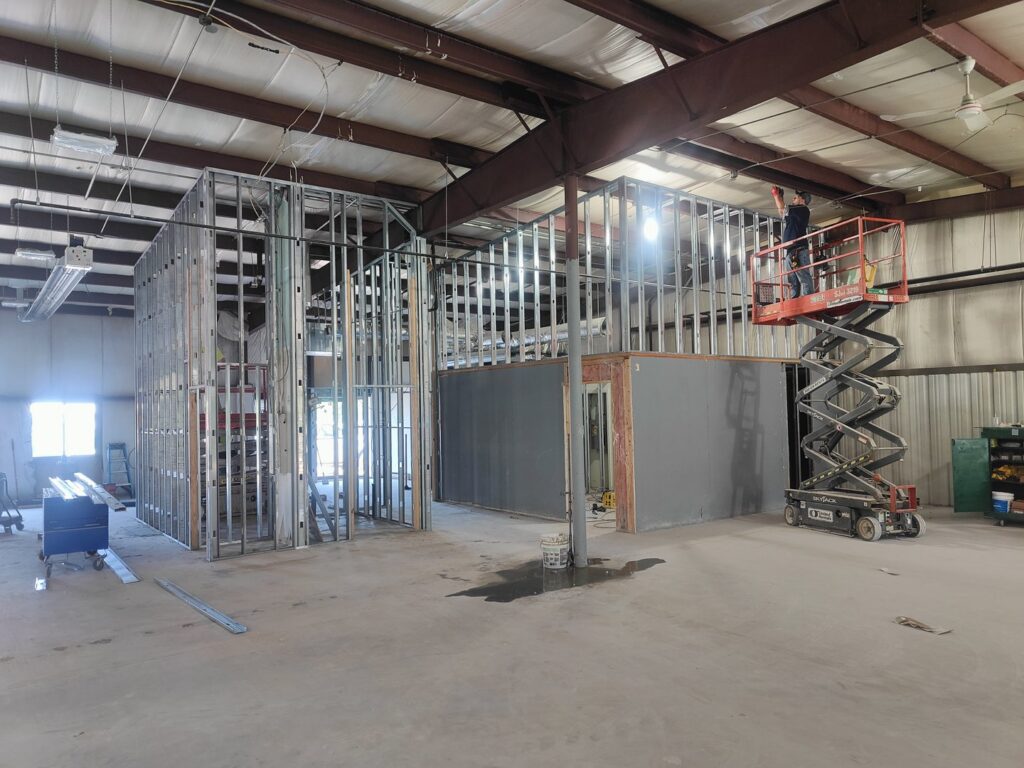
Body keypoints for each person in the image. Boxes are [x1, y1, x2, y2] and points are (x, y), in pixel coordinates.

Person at [770, 186, 814, 298]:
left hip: (798, 250)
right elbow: (782, 211)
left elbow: (783, 208)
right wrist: (779, 197)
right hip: (791, 250)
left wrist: (776, 195)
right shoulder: (795, 214)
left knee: (803, 276)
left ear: (802, 200)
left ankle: (808, 298)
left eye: (795, 198)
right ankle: (795, 300)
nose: (793, 199)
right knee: (792, 279)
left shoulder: (802, 209)